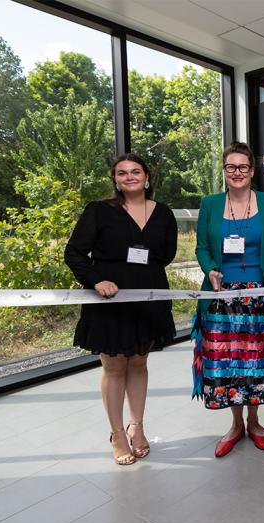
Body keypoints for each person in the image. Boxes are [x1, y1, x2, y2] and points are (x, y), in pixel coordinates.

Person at [65, 154, 177, 466]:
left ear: (147, 176)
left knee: (139, 364)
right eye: (122, 173)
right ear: (115, 180)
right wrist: (96, 279)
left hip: (149, 298)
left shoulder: (164, 213)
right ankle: (117, 433)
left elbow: (166, 254)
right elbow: (73, 253)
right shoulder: (99, 211)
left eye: (136, 171)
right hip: (108, 301)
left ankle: (137, 426)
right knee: (114, 368)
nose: (130, 177)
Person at [192, 141, 264, 458]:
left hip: (261, 297)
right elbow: (201, 249)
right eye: (231, 167)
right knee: (227, 364)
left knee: (257, 364)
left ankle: (255, 421)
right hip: (221, 299)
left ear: (252, 170)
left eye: (243, 167)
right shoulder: (210, 204)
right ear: (224, 170)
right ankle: (236, 424)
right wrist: (210, 271)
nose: (237, 172)